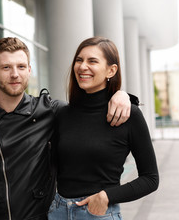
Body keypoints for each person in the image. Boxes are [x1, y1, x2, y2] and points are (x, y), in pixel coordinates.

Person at [0, 37, 134, 220]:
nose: (15, 74)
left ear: (29, 70)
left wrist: (122, 95)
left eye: (21, 67)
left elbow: (89, 108)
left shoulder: (50, 111)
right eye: (6, 67)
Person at [48, 37, 159, 220]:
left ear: (111, 70)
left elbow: (150, 179)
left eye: (92, 61)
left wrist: (107, 196)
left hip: (97, 213)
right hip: (57, 212)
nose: (83, 66)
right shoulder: (62, 113)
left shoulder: (128, 115)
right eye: (79, 60)